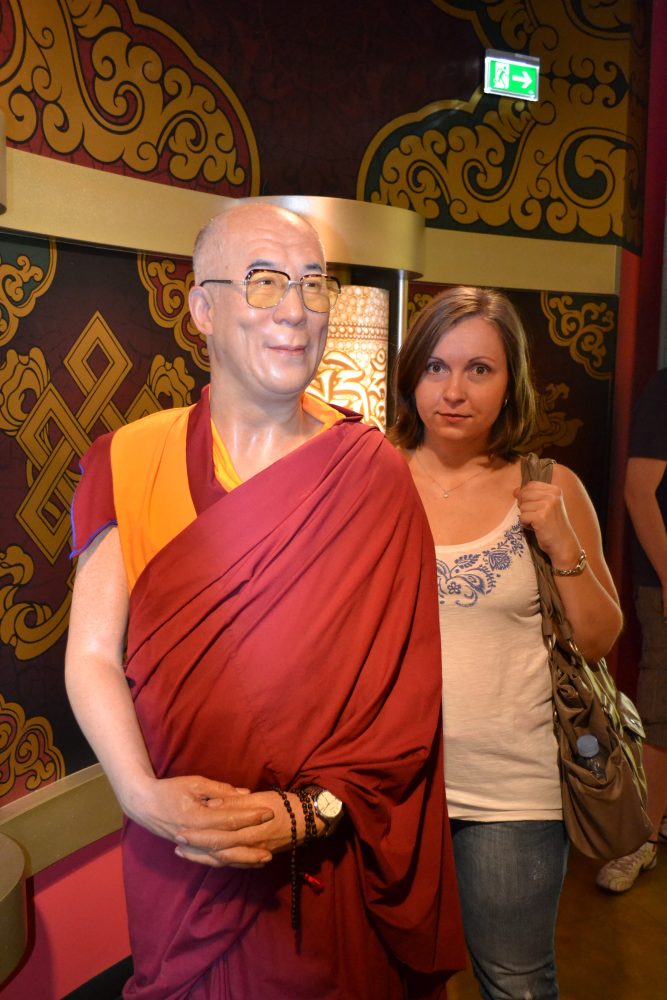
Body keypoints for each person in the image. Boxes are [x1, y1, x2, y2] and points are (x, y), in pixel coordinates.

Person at [64, 202, 465, 999]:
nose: (294, 309)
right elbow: (92, 654)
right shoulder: (131, 457)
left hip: (327, 859)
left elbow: (405, 697)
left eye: (313, 285)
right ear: (201, 309)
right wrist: (141, 796)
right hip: (180, 850)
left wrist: (311, 813)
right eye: (263, 281)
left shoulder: (370, 476)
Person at [390, 286, 623, 1000]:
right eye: (436, 367)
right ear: (411, 376)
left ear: (510, 381)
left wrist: (560, 542)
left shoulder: (549, 487)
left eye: (479, 370)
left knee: (515, 983)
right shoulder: (372, 481)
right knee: (385, 979)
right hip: (391, 784)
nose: (453, 391)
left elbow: (598, 638)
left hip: (511, 794)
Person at [596, 366, 667, 892]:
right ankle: (639, 839)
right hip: (663, 580)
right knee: (660, 710)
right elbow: (640, 493)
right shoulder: (665, 387)